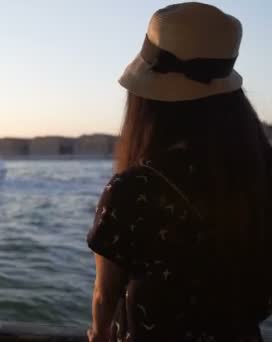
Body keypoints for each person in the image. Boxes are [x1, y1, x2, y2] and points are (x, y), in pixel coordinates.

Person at [86, 3, 272, 341]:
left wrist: (98, 334)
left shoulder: (134, 189)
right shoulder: (261, 172)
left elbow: (104, 297)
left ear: (145, 100)